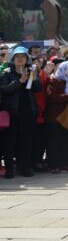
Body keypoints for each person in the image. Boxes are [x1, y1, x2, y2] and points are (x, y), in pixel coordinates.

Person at [0, 46, 42, 178]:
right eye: (17, 56)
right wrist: (19, 81)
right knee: (10, 141)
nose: (20, 59)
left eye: (23, 56)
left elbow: (38, 89)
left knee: (26, 141)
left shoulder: (31, 71)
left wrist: (34, 79)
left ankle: (24, 168)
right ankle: (9, 169)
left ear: (27, 59)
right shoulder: (7, 72)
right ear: (13, 59)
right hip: (12, 112)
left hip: (28, 112)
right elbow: (4, 89)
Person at [45, 60, 68, 173]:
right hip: (54, 116)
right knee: (54, 141)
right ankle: (53, 165)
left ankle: (66, 163)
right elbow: (50, 97)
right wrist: (66, 96)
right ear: (63, 68)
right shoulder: (53, 80)